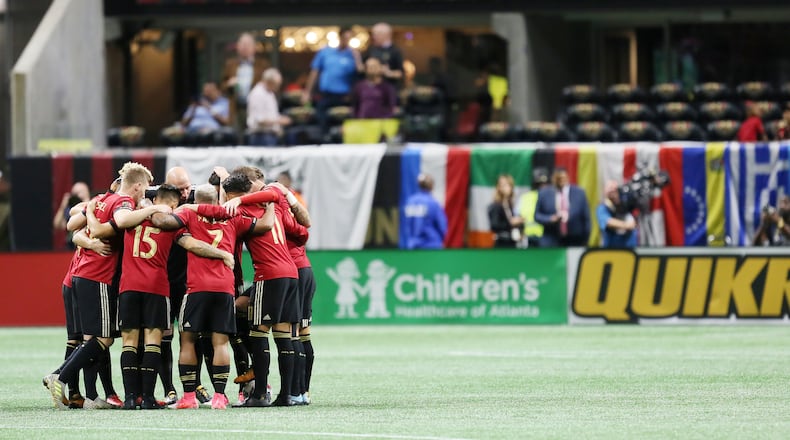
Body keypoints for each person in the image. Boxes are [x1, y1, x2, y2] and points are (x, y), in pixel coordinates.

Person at [46, 163, 169, 410]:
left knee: (90, 337)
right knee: (104, 339)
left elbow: (72, 227)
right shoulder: (123, 203)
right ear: (136, 186)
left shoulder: (102, 199)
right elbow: (122, 220)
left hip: (81, 274)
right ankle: (60, 375)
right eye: (144, 189)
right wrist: (153, 208)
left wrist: (90, 223)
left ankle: (91, 396)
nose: (145, 194)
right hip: (98, 275)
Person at [150, 182, 274, 410]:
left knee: (187, 340)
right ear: (217, 200)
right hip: (224, 288)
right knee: (220, 343)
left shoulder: (189, 213)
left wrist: (163, 208)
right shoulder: (232, 216)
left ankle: (188, 397)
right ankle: (219, 397)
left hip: (196, 288)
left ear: (196, 202)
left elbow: (161, 222)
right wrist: (270, 205)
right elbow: (266, 225)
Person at [220, 174, 309, 407]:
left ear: (231, 196)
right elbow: (276, 196)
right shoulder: (271, 206)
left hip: (268, 275)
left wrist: (236, 200)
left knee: (258, 333)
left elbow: (223, 213)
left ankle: (259, 394)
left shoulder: (241, 211)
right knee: (284, 335)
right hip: (291, 274)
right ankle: (287, 395)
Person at [302, 26, 365, 137]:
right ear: (340, 37)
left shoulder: (353, 55)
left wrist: (357, 59)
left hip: (345, 96)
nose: (346, 41)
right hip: (326, 94)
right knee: (320, 116)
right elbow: (314, 73)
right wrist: (307, 92)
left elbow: (360, 74)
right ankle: (324, 138)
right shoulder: (325, 52)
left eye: (349, 39)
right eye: (345, 38)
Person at [223, 32, 270, 131]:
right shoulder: (230, 64)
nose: (245, 47)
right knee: (236, 137)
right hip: (236, 107)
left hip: (256, 107)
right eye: (242, 44)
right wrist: (229, 84)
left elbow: (269, 87)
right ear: (237, 47)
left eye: (248, 44)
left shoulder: (262, 65)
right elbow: (222, 87)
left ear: (254, 47)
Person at [535, 167, 591, 247]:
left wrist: (585, 240)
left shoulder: (579, 193)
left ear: (567, 177)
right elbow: (537, 216)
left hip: (575, 240)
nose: (560, 180)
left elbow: (586, 219)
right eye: (558, 178)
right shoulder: (544, 194)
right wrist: (550, 219)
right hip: (551, 240)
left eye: (562, 178)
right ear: (553, 179)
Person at [247, 68, 291, 146]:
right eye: (277, 85)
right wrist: (280, 121)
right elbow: (259, 119)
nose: (278, 88)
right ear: (269, 82)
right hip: (261, 137)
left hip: (270, 136)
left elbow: (271, 114)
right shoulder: (258, 94)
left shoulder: (270, 93)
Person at [402, 174, 447, 249]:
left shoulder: (409, 202)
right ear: (431, 186)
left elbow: (405, 225)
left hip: (412, 246)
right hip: (431, 246)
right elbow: (442, 226)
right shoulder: (433, 203)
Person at [596, 180, 637, 249]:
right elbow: (608, 222)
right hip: (612, 250)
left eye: (615, 191)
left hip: (630, 249)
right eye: (610, 192)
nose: (613, 194)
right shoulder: (602, 208)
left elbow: (634, 221)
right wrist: (626, 225)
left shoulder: (627, 204)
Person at [487, 174, 524, 248]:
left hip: (511, 242)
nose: (508, 188)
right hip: (502, 243)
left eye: (509, 185)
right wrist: (511, 222)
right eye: (505, 185)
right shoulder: (496, 206)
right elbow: (494, 225)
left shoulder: (509, 205)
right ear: (499, 188)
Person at [364, 22, 404, 89]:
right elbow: (362, 67)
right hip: (372, 89)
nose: (374, 37)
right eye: (374, 34)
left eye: (377, 35)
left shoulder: (395, 51)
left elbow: (401, 73)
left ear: (386, 35)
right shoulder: (371, 49)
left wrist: (389, 73)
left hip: (389, 89)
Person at [52, 182, 91, 249]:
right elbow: (57, 225)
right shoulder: (71, 210)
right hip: (71, 246)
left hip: (87, 244)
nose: (76, 195)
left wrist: (85, 199)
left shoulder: (93, 205)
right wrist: (63, 206)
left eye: (79, 192)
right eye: (74, 193)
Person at [518, 167, 550, 248]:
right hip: (528, 238)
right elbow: (517, 216)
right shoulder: (525, 197)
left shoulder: (551, 197)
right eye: (540, 184)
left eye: (545, 184)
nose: (543, 186)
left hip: (546, 237)